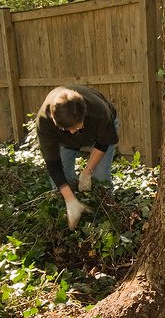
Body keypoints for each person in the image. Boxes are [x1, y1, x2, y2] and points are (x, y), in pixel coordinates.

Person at [35, 85, 120, 229]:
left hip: (99, 132)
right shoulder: (45, 124)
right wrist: (70, 200)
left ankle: (107, 219)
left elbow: (104, 142)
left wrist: (87, 172)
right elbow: (54, 165)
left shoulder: (99, 112)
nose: (75, 132)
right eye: (71, 129)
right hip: (64, 141)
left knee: (100, 178)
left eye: (79, 127)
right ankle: (72, 213)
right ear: (56, 123)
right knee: (60, 186)